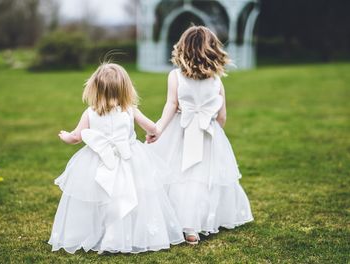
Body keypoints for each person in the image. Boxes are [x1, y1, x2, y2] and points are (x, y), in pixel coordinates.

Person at [48, 63, 184, 254]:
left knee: (102, 195)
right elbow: (152, 127)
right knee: (133, 193)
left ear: (94, 88)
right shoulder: (130, 110)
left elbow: (77, 137)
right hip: (129, 159)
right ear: (125, 88)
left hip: (98, 161)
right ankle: (127, 233)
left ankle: (104, 232)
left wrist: (66, 137)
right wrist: (155, 132)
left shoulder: (89, 112)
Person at [147, 26, 253, 245]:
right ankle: (194, 224)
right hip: (207, 133)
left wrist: (159, 129)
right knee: (202, 178)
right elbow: (222, 115)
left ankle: (179, 222)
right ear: (213, 49)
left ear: (182, 49)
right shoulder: (216, 79)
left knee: (177, 174)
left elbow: (171, 105)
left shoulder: (175, 76)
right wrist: (216, 134)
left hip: (180, 131)